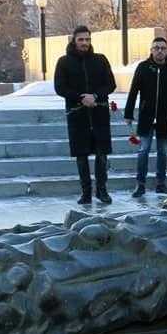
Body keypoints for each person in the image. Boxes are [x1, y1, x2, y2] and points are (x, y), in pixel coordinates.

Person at [53, 25, 116, 205]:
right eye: (81, 39)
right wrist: (81, 98)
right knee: (81, 155)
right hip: (77, 115)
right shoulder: (64, 61)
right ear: (74, 41)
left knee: (101, 154)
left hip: (99, 114)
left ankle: (102, 190)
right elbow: (60, 87)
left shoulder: (100, 60)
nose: (85, 43)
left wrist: (95, 96)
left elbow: (110, 84)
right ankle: (86, 192)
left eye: (87, 39)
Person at [123, 37, 167, 197]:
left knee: (162, 151)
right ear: (151, 50)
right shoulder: (143, 68)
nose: (160, 51)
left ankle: (161, 183)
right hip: (146, 116)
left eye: (163, 48)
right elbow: (133, 91)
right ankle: (140, 184)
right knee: (143, 150)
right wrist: (128, 113)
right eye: (156, 48)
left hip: (165, 118)